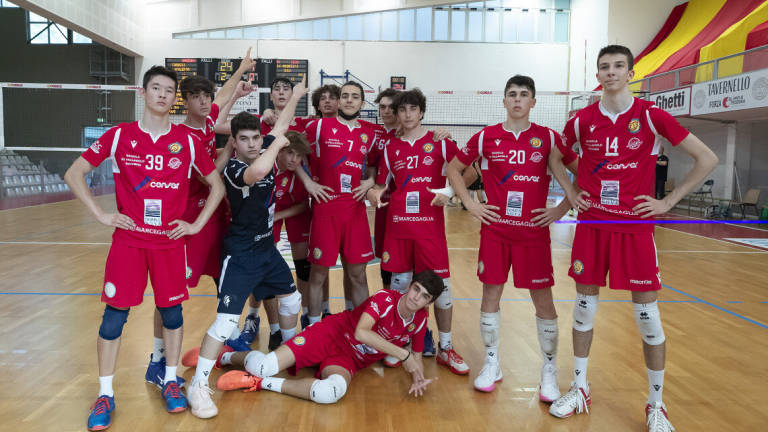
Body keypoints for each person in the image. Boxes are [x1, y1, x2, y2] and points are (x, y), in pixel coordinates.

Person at [547, 45, 717, 432]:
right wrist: (570, 194)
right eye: (604, 67)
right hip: (592, 226)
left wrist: (667, 201)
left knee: (647, 318)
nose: (610, 73)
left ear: (631, 72)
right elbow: (556, 156)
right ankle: (580, 387)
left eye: (618, 66)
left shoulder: (652, 116)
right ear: (598, 74)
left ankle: (656, 405)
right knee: (584, 309)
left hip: (635, 228)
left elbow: (707, 158)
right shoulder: (582, 120)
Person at [64, 65, 226, 430]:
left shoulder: (185, 140)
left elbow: (217, 186)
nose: (163, 95)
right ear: (144, 93)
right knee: (113, 318)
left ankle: (170, 380)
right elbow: (74, 173)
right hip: (128, 241)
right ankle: (105, 393)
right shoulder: (121, 135)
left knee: (172, 315)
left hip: (169, 242)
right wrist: (102, 215)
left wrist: (196, 224)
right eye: (156, 88)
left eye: (169, 91)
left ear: (174, 99)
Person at [183, 76, 309, 419]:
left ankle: (286, 351)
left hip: (267, 249)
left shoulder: (262, 144)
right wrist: (274, 141)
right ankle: (198, 385)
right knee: (225, 323)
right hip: (240, 254)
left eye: (256, 137)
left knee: (292, 298)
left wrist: (295, 96)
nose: (253, 143)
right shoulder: (237, 168)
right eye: (245, 139)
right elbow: (259, 170)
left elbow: (281, 124)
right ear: (234, 143)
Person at [445, 75, 578, 400]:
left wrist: (560, 210)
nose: (517, 100)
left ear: (533, 102)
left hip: (533, 233)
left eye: (524, 95)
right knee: (490, 296)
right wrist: (470, 205)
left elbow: (582, 172)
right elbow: (452, 168)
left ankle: (548, 369)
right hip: (495, 231)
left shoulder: (547, 137)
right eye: (512, 95)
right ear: (504, 101)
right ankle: (492, 363)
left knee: (543, 301)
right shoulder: (486, 137)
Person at [144, 49, 255, 385]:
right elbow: (207, 174)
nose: (206, 102)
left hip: (216, 213)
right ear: (184, 101)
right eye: (197, 97)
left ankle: (229, 337)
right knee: (170, 292)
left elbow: (223, 96)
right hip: (190, 220)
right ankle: (157, 357)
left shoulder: (208, 122)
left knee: (226, 280)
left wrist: (240, 69)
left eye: (207, 96)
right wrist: (229, 150)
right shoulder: (179, 139)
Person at [214, 270, 445, 404]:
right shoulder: (385, 299)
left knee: (330, 393)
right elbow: (361, 333)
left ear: (430, 303)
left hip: (350, 360)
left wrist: (417, 376)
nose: (416, 298)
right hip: (331, 334)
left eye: (424, 297)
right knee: (264, 365)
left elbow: (415, 356)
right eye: (416, 289)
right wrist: (403, 355)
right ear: (410, 286)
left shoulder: (420, 321)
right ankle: (225, 356)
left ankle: (259, 383)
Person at [368, 88, 468, 374]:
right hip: (398, 229)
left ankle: (445, 348)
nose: (408, 114)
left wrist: (449, 191)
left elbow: (468, 171)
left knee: (442, 291)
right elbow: (382, 185)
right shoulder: (390, 148)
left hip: (429, 231)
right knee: (399, 290)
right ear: (397, 115)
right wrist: (374, 194)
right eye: (403, 110)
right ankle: (400, 345)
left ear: (422, 112)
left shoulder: (441, 142)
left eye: (413, 109)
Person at [297, 81, 378, 325]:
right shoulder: (319, 126)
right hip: (325, 209)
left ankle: (360, 331)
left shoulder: (370, 133)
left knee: (358, 275)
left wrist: (370, 181)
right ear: (339, 101)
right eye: (345, 96)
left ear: (362, 103)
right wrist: (308, 183)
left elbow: (373, 163)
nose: (349, 100)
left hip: (355, 211)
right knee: (318, 274)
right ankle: (312, 326)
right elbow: (292, 151)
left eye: (355, 96)